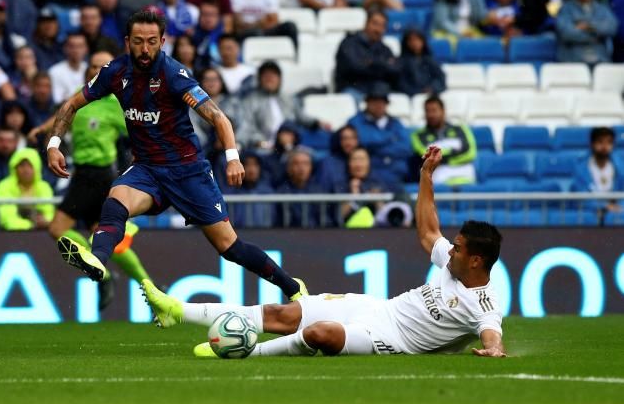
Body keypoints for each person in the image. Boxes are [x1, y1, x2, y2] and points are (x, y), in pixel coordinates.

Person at [143, 145, 506, 359]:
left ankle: (241, 350)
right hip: (378, 308)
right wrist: (426, 176)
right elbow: (429, 232)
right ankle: (177, 310)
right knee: (286, 313)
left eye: (458, 248)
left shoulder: (485, 304)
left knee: (320, 333)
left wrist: (494, 350)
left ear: (476, 259)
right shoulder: (452, 262)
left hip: (390, 341)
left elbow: (491, 333)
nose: (450, 249)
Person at [47, 10, 307, 301]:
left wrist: (233, 157)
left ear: (162, 41)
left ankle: (293, 288)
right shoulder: (114, 73)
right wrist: (54, 144)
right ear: (127, 41)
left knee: (230, 248)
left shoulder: (173, 75)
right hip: (147, 170)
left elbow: (218, 118)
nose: (145, 49)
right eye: (138, 41)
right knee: (115, 200)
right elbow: (71, 104)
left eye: (152, 41)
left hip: (188, 172)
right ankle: (98, 261)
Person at [30, 50, 153, 308]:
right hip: (81, 174)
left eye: (102, 66)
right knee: (107, 238)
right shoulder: (82, 94)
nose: (97, 70)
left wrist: (142, 156)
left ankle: (107, 275)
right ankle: (148, 286)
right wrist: (44, 129)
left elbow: (137, 129)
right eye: (93, 66)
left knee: (59, 229)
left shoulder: (117, 102)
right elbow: (66, 112)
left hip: (99, 175)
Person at [348, 81, 412, 185]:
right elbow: (362, 142)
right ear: (367, 102)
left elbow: (406, 147)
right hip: (370, 175)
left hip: (398, 175)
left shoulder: (396, 123)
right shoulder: (355, 122)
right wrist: (390, 139)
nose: (378, 105)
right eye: (374, 101)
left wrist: (375, 149)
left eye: (382, 101)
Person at [411, 95, 476, 186]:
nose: (430, 115)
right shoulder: (418, 136)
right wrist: (454, 153)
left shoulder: (461, 129)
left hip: (464, 174)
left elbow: (470, 153)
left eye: (434, 110)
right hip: (438, 177)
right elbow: (427, 156)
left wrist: (442, 159)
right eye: (427, 111)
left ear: (443, 111)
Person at [555, 0, 619, 65]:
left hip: (600, 60)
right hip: (573, 61)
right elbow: (566, 33)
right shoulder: (565, 9)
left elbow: (612, 28)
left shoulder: (602, 8)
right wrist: (597, 34)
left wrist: (587, 26)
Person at [334, 8, 397, 96]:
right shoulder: (349, 43)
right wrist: (381, 65)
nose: (378, 29)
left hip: (378, 92)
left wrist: (370, 63)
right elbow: (353, 67)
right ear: (366, 23)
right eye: (375, 24)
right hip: (354, 89)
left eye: (382, 26)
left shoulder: (384, 48)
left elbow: (395, 70)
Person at [0, 148, 55, 231]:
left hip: (41, 233)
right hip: (11, 234)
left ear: (37, 168)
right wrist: (32, 225)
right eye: (22, 165)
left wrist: (46, 221)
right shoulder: (4, 186)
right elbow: (7, 218)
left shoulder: (44, 186)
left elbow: (49, 213)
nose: (26, 170)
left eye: (30, 165)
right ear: (14, 167)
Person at [571, 127, 624, 215]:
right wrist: (603, 206)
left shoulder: (621, 168)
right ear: (592, 144)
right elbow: (580, 197)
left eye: (609, 142)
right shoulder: (580, 168)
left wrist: (619, 207)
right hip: (590, 213)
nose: (605, 146)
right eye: (600, 142)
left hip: (615, 214)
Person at [398, 29, 446, 97]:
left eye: (417, 39)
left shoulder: (431, 60)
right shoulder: (401, 62)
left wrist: (432, 88)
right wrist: (418, 91)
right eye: (411, 40)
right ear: (406, 43)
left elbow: (440, 78)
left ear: (423, 41)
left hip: (431, 95)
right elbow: (402, 84)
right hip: (411, 98)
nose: (414, 43)